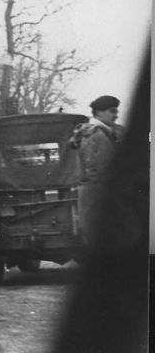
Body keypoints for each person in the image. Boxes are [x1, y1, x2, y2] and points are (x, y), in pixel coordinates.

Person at [68, 94, 123, 244]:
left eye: (116, 111)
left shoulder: (96, 132)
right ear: (99, 112)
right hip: (99, 196)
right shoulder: (96, 135)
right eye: (112, 111)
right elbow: (99, 171)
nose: (116, 115)